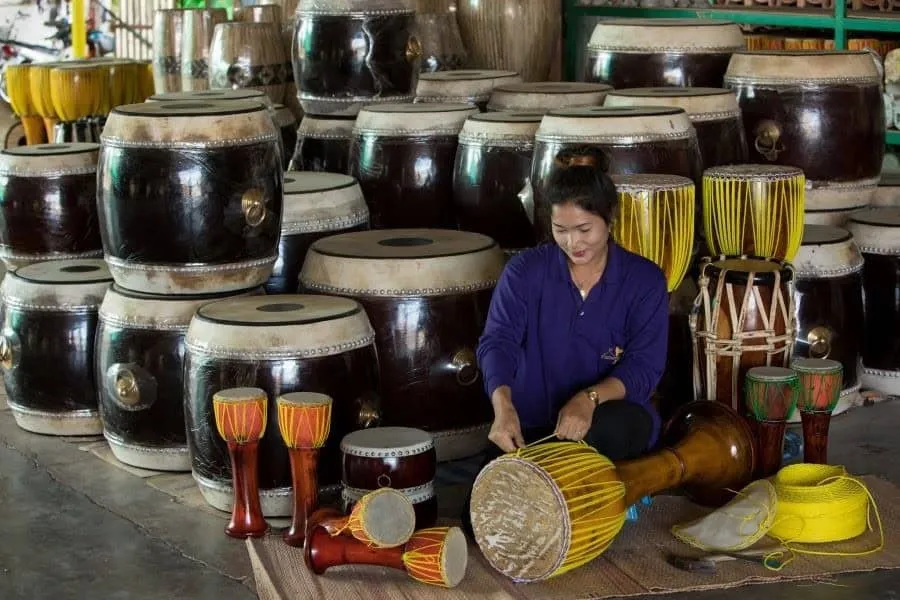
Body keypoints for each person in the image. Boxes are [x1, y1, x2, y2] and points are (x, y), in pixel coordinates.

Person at [476, 146, 669, 464]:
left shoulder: (644, 280)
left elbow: (644, 367)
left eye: (584, 230)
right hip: (536, 426)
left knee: (611, 431)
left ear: (610, 218)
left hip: (606, 421)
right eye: (560, 230)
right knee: (478, 509)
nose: (572, 243)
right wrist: (504, 406)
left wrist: (589, 399)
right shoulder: (524, 272)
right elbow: (498, 342)